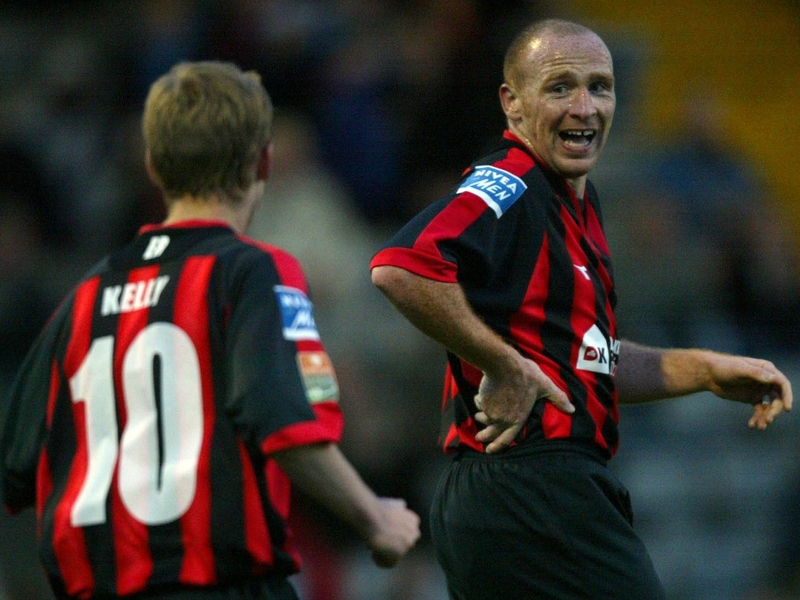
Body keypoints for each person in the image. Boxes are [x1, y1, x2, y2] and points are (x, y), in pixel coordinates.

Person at [369, 18, 792, 600]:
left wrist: (705, 370)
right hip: (531, 488)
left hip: (521, 495)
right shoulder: (511, 181)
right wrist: (503, 363)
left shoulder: (577, 207)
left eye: (600, 87)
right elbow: (401, 265)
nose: (584, 107)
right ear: (513, 104)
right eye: (560, 87)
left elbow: (586, 360)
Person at [0, 60, 420, 600]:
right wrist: (376, 519)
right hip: (217, 582)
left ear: (152, 166)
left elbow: (17, 464)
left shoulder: (86, 292)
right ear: (263, 161)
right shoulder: (254, 271)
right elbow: (287, 421)